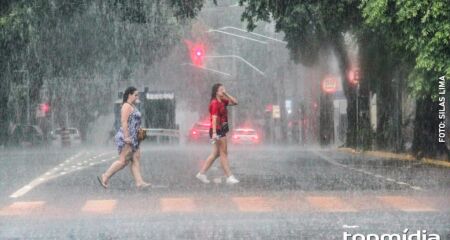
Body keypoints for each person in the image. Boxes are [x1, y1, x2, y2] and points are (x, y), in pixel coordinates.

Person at [98, 87, 151, 189]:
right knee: (123, 161)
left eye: (137, 95)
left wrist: (140, 134)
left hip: (134, 137)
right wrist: (127, 138)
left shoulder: (132, 106)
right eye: (135, 95)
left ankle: (139, 182)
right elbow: (124, 122)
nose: (137, 97)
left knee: (135, 159)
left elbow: (135, 122)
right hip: (127, 137)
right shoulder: (126, 106)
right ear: (129, 95)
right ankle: (105, 176)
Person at [196, 83, 240, 184]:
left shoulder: (223, 101)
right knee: (223, 153)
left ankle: (201, 174)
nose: (223, 91)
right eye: (221, 89)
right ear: (216, 92)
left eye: (224, 89)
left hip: (221, 129)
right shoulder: (215, 103)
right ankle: (229, 177)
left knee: (215, 154)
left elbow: (235, 102)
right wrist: (215, 133)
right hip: (218, 130)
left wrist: (226, 94)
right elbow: (214, 118)